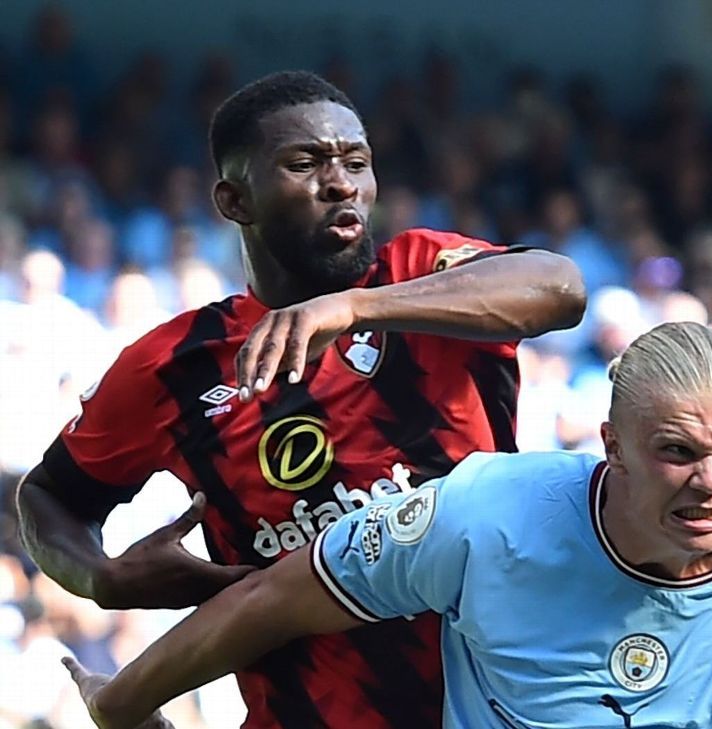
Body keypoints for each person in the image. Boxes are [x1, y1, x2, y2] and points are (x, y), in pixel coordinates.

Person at [16, 70, 586, 728]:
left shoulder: (418, 278)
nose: (341, 182)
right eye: (305, 162)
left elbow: (559, 286)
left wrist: (354, 307)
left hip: (489, 708)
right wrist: (100, 578)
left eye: (356, 161)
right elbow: (48, 498)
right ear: (235, 200)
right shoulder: (174, 364)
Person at [62, 322, 712, 729]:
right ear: (613, 447)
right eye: (678, 452)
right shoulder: (487, 515)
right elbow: (276, 600)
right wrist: (124, 702)